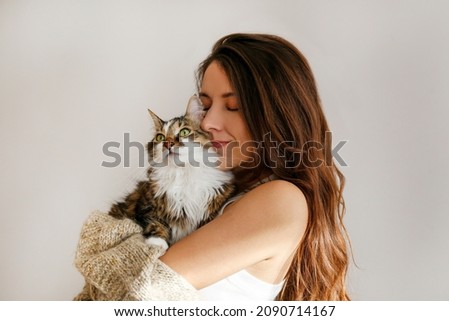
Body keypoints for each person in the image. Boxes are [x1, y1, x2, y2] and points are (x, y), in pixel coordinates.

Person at [74, 33, 350, 301]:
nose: (207, 124)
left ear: (277, 117)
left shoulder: (280, 199)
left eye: (233, 106)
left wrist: (109, 244)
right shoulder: (229, 196)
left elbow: (147, 290)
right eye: (206, 106)